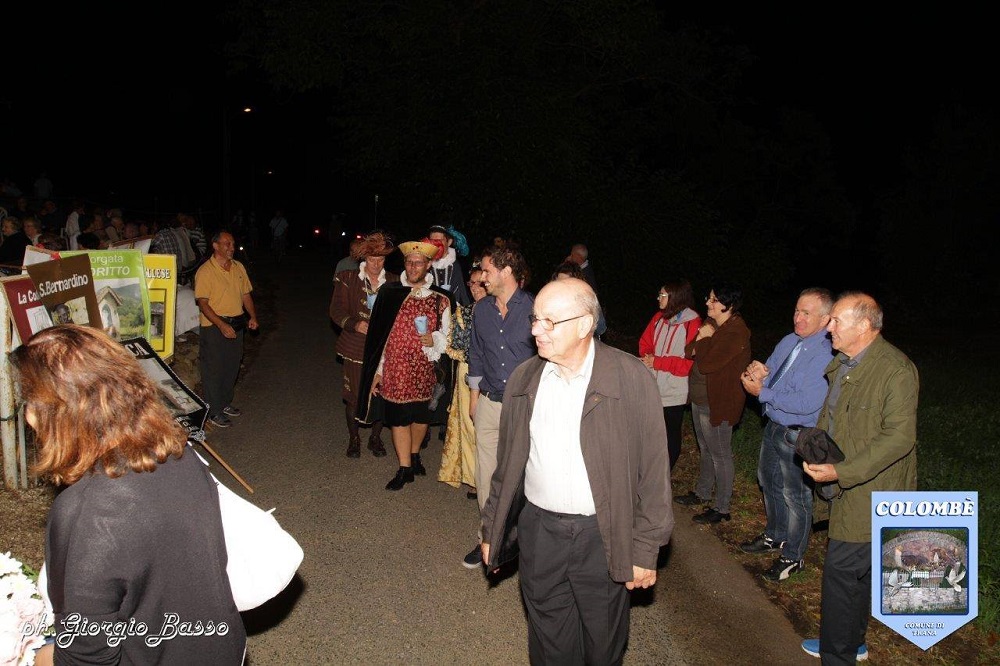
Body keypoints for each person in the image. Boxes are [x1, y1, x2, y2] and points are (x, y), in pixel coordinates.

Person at [10, 325, 246, 665]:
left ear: (57, 411)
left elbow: (85, 657)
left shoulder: (86, 511)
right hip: (221, 648)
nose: (28, 414)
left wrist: (31, 657)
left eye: (31, 402)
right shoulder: (177, 455)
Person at [481, 277, 672, 664]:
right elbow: (507, 468)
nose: (536, 330)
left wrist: (645, 548)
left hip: (602, 535)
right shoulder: (524, 379)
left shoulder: (629, 378)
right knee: (549, 643)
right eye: (535, 319)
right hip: (540, 532)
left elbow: (654, 473)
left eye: (549, 321)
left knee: (602, 646)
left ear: (585, 324)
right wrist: (492, 529)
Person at [800, 292, 918, 664]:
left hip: (873, 490)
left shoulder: (895, 370)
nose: (828, 328)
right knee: (860, 574)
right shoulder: (845, 363)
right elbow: (836, 419)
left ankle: (837, 655)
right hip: (844, 482)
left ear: (864, 325)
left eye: (836, 320)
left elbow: (899, 437)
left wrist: (842, 471)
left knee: (840, 573)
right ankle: (853, 642)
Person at [740, 288, 834, 582]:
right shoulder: (790, 341)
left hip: (799, 435)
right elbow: (772, 372)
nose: (798, 318)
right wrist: (760, 372)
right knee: (768, 481)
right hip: (774, 425)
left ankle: (793, 555)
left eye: (807, 313)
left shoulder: (825, 353)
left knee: (796, 495)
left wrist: (763, 392)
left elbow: (808, 403)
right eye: (796, 311)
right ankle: (776, 535)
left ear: (825, 319)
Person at [356, 239, 455, 491]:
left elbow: (449, 336)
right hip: (395, 369)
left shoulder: (441, 299)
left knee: (421, 418)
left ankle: (414, 454)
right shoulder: (389, 293)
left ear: (428, 265)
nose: (413, 267)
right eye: (409, 262)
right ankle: (405, 468)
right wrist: (378, 371)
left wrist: (434, 339)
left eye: (418, 263)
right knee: (399, 420)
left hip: (425, 369)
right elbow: (380, 337)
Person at [461, 243, 536, 568]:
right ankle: (489, 537)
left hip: (523, 407)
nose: (481, 277)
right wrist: (474, 397)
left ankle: (523, 541)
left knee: (523, 477)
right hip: (489, 403)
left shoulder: (535, 308)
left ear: (506, 271)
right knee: (486, 476)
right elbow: (476, 353)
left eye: (487, 270)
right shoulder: (481, 310)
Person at [674, 282, 751, 524]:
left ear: (729, 305)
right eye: (709, 297)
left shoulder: (736, 332)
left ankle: (722, 507)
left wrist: (704, 339)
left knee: (720, 454)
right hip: (700, 398)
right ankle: (703, 492)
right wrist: (703, 338)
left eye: (714, 299)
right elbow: (689, 351)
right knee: (706, 448)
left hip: (717, 402)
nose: (708, 302)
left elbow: (707, 363)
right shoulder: (711, 324)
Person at [330, 231, 399, 458]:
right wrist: (354, 324)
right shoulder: (348, 278)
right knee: (354, 396)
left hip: (385, 349)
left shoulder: (394, 282)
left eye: (380, 259)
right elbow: (335, 310)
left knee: (381, 395)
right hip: (355, 347)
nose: (376, 264)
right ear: (364, 259)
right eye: (371, 259)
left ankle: (375, 438)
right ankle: (354, 439)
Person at [195, 231, 259, 428]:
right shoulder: (206, 271)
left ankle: (224, 403)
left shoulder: (238, 267)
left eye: (232, 243)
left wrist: (252, 317)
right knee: (214, 369)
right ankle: (214, 411)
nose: (232, 247)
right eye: (227, 244)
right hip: (214, 326)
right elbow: (203, 304)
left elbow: (245, 295)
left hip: (237, 323)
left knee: (232, 365)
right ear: (215, 246)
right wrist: (221, 325)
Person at [639, 279, 701, 470]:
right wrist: (648, 356)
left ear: (675, 297)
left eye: (663, 295)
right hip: (653, 386)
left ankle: (665, 473)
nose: (658, 298)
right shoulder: (659, 318)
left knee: (670, 434)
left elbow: (689, 364)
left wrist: (658, 362)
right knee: (651, 433)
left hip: (675, 390)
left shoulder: (692, 323)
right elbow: (645, 342)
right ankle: (650, 471)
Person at [438, 266, 488, 495]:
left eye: (480, 283)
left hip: (494, 375)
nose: (475, 288)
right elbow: (454, 347)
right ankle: (473, 477)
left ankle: (490, 476)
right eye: (471, 283)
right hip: (468, 373)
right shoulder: (464, 313)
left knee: (489, 428)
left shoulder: (501, 311)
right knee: (469, 426)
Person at [552, 261, 607, 336]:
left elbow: (601, 328)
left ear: (577, 282)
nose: (563, 286)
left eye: (567, 282)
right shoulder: (550, 301)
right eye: (559, 282)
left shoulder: (587, 300)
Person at [427, 224, 472, 306]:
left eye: (439, 240)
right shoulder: (425, 264)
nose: (436, 244)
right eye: (432, 241)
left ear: (449, 242)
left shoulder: (460, 265)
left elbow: (464, 293)